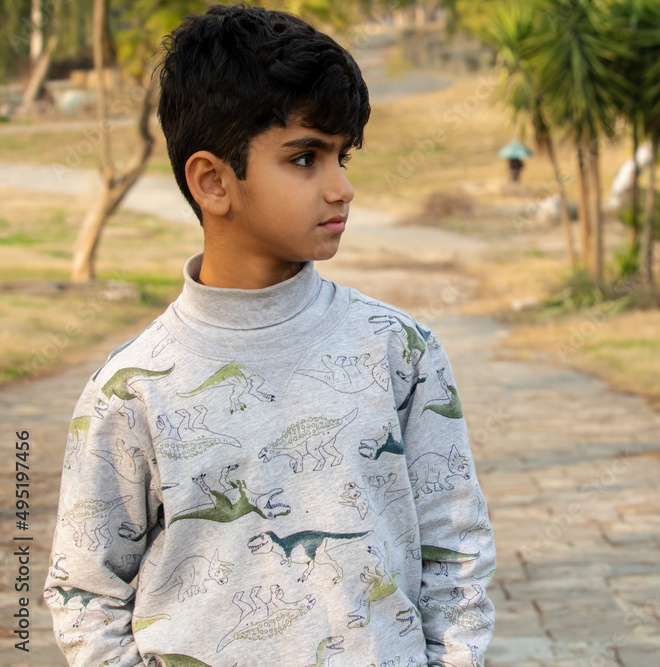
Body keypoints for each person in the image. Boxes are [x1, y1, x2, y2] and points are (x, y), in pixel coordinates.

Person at [42, 6, 496, 666]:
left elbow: (456, 551)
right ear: (213, 181)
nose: (342, 188)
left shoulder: (401, 351)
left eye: (343, 157)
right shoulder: (130, 389)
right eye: (306, 158)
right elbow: (85, 589)